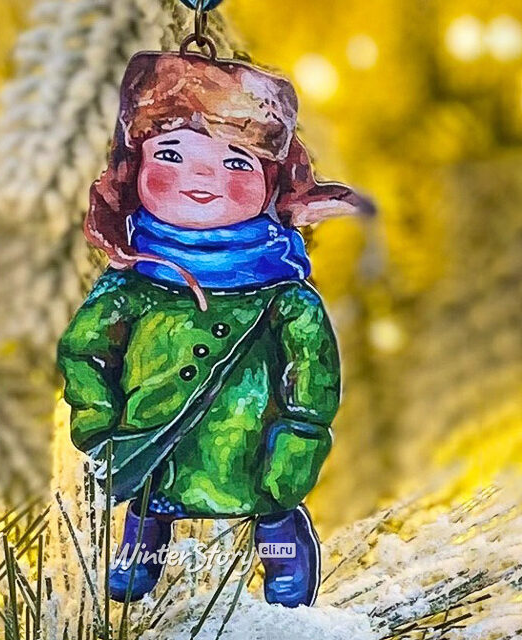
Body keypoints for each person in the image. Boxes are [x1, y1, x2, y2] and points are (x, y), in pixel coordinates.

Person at [56, 51, 373, 608]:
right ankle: (143, 545)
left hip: (254, 459)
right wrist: (97, 421)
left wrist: (294, 451)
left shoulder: (284, 297)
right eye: (171, 154)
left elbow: (312, 380)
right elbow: (85, 352)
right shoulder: (130, 287)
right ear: (133, 168)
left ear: (273, 183)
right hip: (150, 446)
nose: (201, 176)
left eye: (236, 161)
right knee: (152, 498)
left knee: (268, 506)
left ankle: (280, 542)